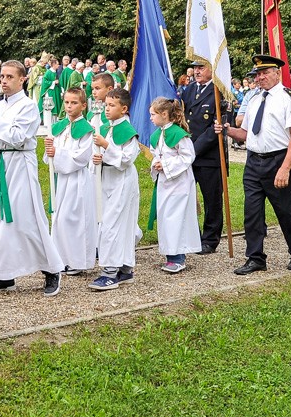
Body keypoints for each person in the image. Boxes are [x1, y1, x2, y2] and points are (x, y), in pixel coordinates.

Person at [215, 55, 291, 274]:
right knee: (252, 212)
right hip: (254, 161)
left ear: (277, 73)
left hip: (278, 160)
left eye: (265, 73)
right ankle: (255, 258)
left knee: (286, 211)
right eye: (258, 74)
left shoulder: (289, 98)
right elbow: (246, 133)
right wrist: (227, 130)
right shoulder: (254, 99)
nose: (260, 77)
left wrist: (285, 168)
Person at [0, 60, 64, 295]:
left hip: (20, 166)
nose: (4, 81)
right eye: (1, 77)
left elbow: (17, 137)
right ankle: (3, 274)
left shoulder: (28, 106)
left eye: (9, 77)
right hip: (1, 167)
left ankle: (51, 269)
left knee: (27, 220)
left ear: (22, 79)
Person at [88, 87, 141, 290]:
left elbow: (127, 159)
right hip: (106, 179)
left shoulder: (128, 131)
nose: (107, 109)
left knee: (114, 224)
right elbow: (97, 152)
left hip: (122, 181)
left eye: (112, 105)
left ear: (124, 108)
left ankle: (109, 272)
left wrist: (107, 147)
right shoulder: (105, 127)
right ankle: (125, 269)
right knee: (111, 223)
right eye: (106, 105)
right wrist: (96, 159)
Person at [44, 86, 98, 276]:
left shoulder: (86, 130)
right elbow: (50, 154)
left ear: (83, 105)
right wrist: (50, 151)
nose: (69, 106)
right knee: (60, 218)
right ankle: (62, 258)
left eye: (74, 103)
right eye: (66, 102)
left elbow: (82, 157)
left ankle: (77, 260)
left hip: (77, 180)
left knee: (74, 218)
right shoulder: (59, 126)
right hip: (61, 179)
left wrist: (57, 153)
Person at [179, 61, 229, 254]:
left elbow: (216, 126)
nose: (197, 71)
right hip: (187, 154)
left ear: (212, 70)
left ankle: (210, 239)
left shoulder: (219, 91)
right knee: (188, 196)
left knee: (212, 199)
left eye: (202, 68)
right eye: (196, 68)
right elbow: (182, 119)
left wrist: (192, 149)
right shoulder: (189, 90)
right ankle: (191, 236)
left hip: (208, 155)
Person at [149, 97, 202, 273]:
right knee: (165, 217)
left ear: (164, 114)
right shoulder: (158, 134)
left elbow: (188, 156)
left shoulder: (179, 134)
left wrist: (166, 165)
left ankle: (178, 257)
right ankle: (170, 254)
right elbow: (156, 153)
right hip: (165, 183)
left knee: (176, 218)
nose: (150, 118)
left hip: (179, 183)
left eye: (153, 115)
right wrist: (157, 163)